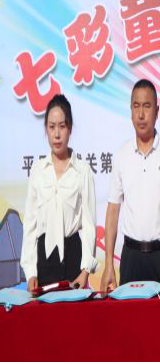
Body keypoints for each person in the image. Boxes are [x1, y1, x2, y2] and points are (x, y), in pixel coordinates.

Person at [100, 80, 160, 290]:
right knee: (129, 312)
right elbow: (113, 211)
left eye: (147, 106)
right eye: (136, 106)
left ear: (157, 112)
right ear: (130, 111)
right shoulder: (122, 155)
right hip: (131, 257)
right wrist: (109, 263)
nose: (141, 114)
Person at [21, 94, 98, 292]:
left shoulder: (82, 170)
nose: (56, 134)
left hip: (73, 258)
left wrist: (85, 270)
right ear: (46, 129)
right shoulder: (38, 171)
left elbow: (89, 225)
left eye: (62, 126)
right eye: (51, 127)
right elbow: (30, 225)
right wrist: (30, 272)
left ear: (70, 128)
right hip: (44, 260)